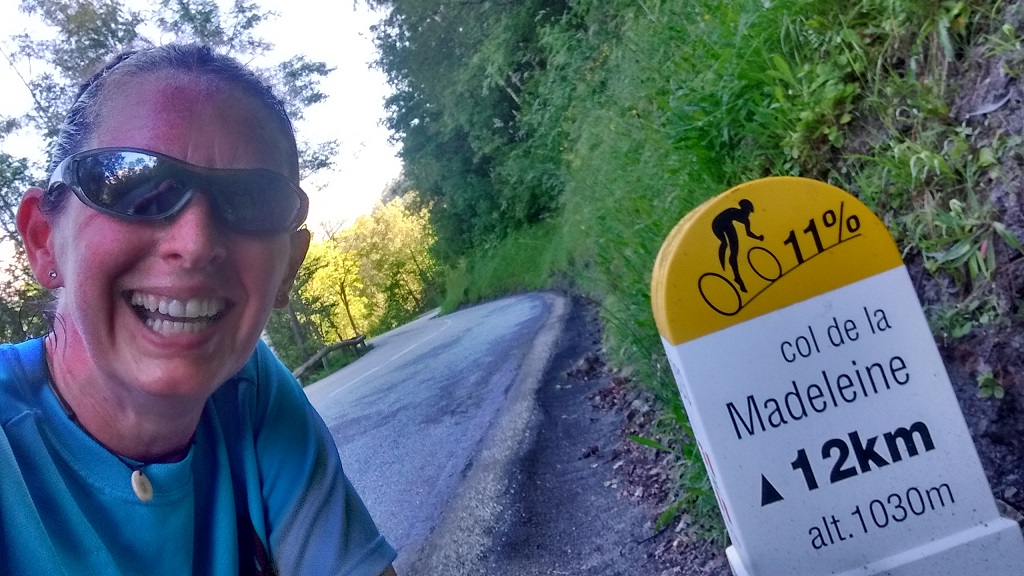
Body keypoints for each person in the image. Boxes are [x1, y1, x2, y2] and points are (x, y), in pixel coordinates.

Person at [2, 44, 398, 575]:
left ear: (288, 267)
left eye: (253, 202)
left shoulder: (248, 389)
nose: (196, 243)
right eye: (138, 190)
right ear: (44, 241)